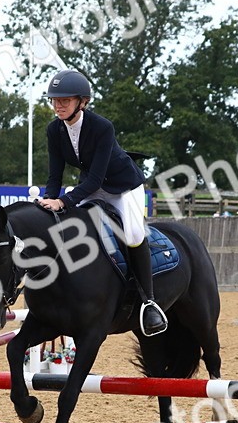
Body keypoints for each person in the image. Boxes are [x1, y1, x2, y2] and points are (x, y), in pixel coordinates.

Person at [36, 69, 167, 336]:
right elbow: (54, 174)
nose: (58, 105)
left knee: (132, 233)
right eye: (54, 100)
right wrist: (50, 198)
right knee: (75, 223)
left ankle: (149, 303)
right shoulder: (54, 130)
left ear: (82, 102)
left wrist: (64, 201)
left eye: (65, 100)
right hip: (91, 186)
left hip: (123, 186)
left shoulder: (102, 127)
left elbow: (95, 179)